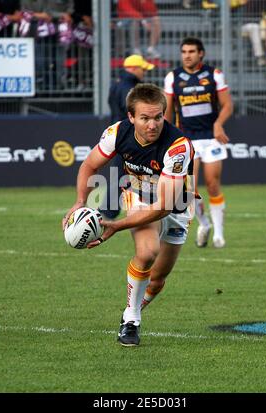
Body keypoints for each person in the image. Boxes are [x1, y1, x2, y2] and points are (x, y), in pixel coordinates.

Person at [63, 83, 196, 346]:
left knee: (157, 280)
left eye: (157, 117)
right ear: (131, 116)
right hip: (138, 196)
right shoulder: (117, 132)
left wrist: (117, 225)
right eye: (144, 118)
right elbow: (89, 165)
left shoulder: (178, 146)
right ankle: (132, 320)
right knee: (146, 253)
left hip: (175, 205)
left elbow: (164, 206)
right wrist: (80, 202)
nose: (152, 124)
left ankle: (130, 311)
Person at [164, 37, 233, 248]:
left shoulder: (214, 74)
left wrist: (219, 123)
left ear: (201, 53)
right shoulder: (173, 77)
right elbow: (168, 110)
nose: (187, 55)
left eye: (192, 51)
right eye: (184, 51)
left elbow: (228, 105)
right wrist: (167, 137)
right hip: (187, 139)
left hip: (211, 139)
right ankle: (204, 224)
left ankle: (219, 235)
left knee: (213, 184)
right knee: (188, 189)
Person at [99, 54, 155, 220]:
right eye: (142, 69)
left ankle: (110, 210)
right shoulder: (129, 88)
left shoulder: (116, 84)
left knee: (120, 173)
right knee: (126, 174)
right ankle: (109, 211)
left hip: (118, 133)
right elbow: (131, 110)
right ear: (134, 69)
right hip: (128, 136)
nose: (143, 73)